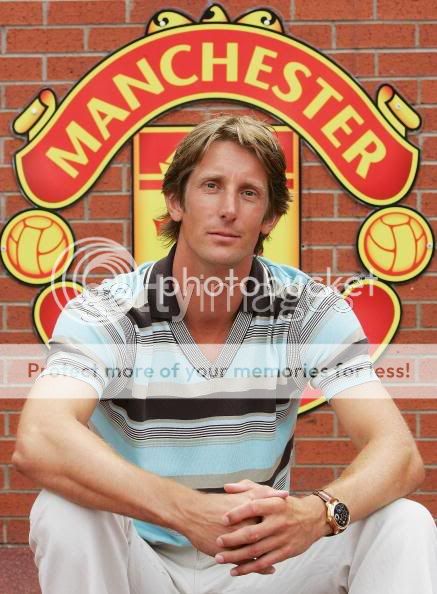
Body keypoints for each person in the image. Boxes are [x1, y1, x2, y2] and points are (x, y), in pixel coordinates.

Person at [13, 115, 437, 594]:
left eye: (249, 193)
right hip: (143, 562)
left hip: (262, 564)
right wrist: (184, 509)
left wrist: (317, 512)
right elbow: (40, 437)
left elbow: (399, 453)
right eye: (211, 186)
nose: (229, 209)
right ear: (176, 201)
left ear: (270, 217)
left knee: (404, 523)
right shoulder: (109, 310)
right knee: (64, 511)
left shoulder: (306, 308)